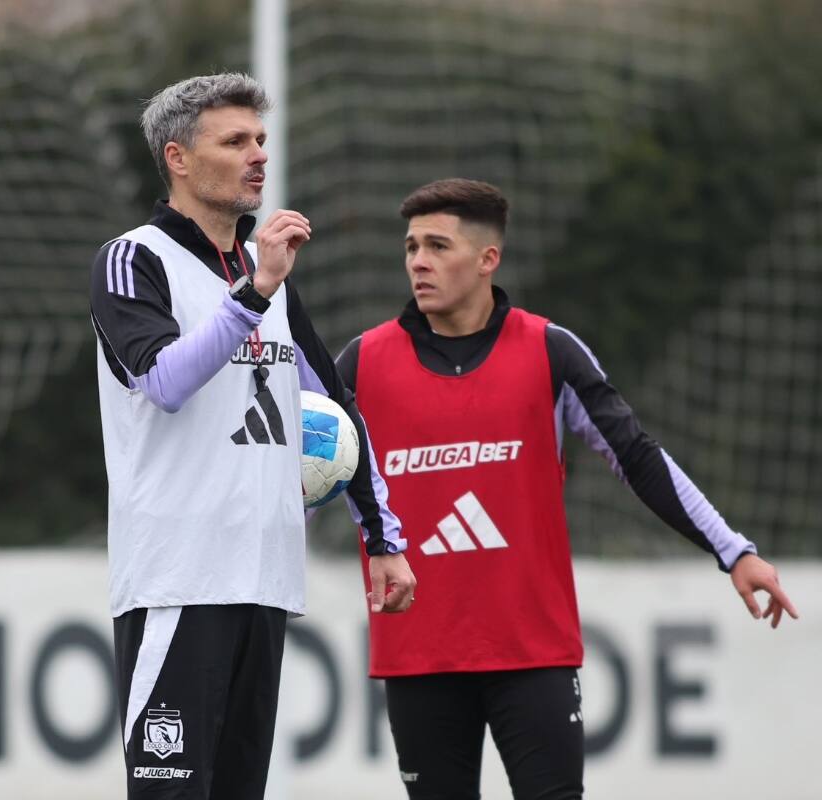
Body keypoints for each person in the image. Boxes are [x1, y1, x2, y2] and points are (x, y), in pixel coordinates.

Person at [337, 178, 800, 800]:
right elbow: (307, 478)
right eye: (411, 246)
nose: (418, 261)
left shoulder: (549, 351)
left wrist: (734, 551)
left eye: (438, 246)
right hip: (419, 655)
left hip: (533, 653)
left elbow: (638, 457)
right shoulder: (362, 363)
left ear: (487, 259)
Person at [90, 72, 416, 799]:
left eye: (261, 140)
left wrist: (384, 540)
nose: (257, 155)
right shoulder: (135, 258)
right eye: (235, 140)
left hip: (263, 580)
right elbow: (164, 383)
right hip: (177, 582)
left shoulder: (264, 280)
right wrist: (256, 293)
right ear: (178, 157)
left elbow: (335, 406)